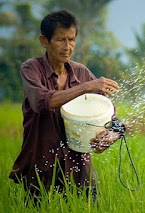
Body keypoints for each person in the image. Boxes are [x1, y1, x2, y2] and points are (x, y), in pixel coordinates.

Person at [9, 9, 120, 202]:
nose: (67, 47)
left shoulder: (81, 72)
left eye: (72, 39)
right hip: (41, 167)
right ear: (44, 41)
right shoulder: (31, 68)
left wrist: (111, 136)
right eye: (61, 40)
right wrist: (86, 87)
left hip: (80, 170)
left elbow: (113, 118)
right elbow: (42, 102)